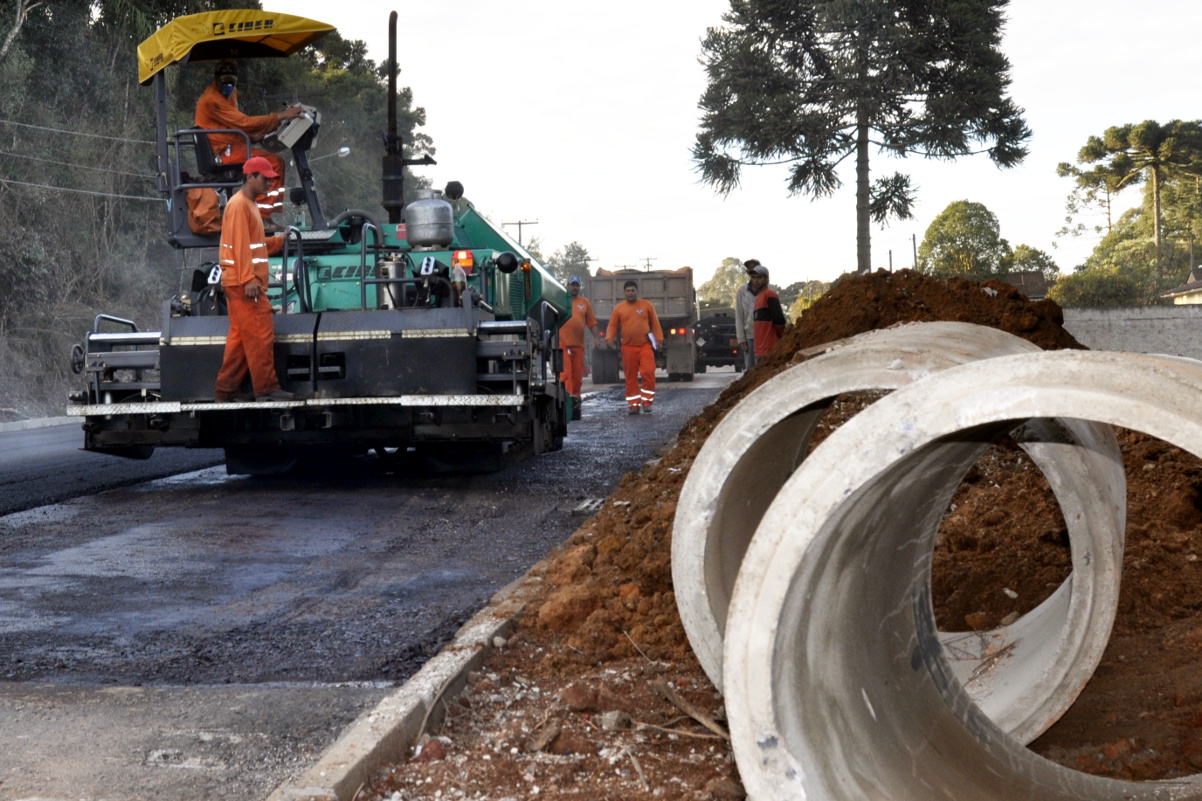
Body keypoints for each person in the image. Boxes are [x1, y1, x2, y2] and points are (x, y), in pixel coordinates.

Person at [213, 156, 294, 402]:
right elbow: (240, 246)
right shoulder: (240, 205)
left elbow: (253, 245)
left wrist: (278, 241)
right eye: (265, 179)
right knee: (260, 334)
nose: (270, 184)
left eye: (271, 179)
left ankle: (226, 391)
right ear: (250, 177)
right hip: (244, 284)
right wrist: (249, 279)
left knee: (240, 338)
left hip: (237, 283)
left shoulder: (248, 205)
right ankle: (267, 389)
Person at [195, 59, 303, 225]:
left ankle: (262, 213)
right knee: (273, 163)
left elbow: (232, 124)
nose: (228, 86)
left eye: (231, 83)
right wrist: (281, 116)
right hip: (223, 152)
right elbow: (243, 123)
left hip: (233, 144)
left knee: (273, 161)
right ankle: (261, 216)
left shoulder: (232, 93)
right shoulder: (213, 100)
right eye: (224, 82)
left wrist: (252, 136)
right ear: (216, 80)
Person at [605, 280, 663, 415]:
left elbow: (655, 323)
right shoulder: (619, 308)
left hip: (645, 346)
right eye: (628, 291)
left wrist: (659, 340)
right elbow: (612, 325)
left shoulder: (646, 305)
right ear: (624, 293)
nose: (630, 293)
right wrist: (609, 339)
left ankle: (647, 403)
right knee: (630, 377)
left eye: (632, 290)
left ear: (637, 292)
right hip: (627, 348)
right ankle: (634, 405)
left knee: (648, 372)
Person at [558, 275, 604, 420]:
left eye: (577, 285)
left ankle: (575, 403)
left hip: (578, 345)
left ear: (579, 287)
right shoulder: (560, 300)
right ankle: (566, 404)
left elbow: (591, 322)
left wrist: (596, 338)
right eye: (572, 285)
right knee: (566, 374)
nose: (574, 287)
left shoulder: (584, 303)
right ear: (567, 286)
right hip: (562, 344)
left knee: (577, 377)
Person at [751, 264, 787, 363]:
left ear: (767, 279)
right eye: (753, 278)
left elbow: (779, 321)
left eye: (759, 277)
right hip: (759, 350)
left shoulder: (770, 295)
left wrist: (782, 339)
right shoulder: (758, 298)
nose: (756, 280)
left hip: (769, 350)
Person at [733, 259, 760, 371]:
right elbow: (739, 316)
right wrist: (741, 339)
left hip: (766, 337)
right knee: (751, 370)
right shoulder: (742, 292)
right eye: (751, 271)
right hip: (750, 337)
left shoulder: (769, 290)